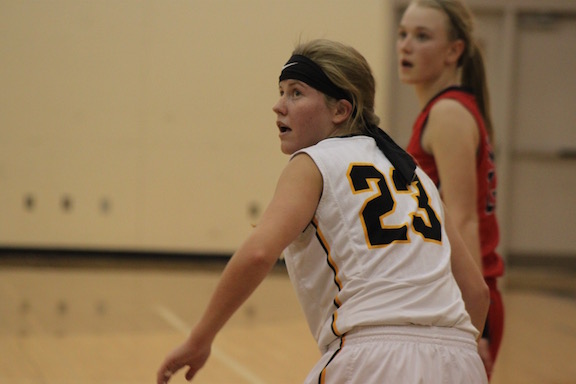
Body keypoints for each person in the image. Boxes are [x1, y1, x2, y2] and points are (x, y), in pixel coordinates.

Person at [157, 38, 489, 384]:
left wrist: (200, 338)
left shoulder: (314, 162)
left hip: (373, 357)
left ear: (340, 111)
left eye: (296, 93)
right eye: (281, 91)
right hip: (460, 360)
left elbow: (257, 253)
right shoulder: (415, 174)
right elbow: (476, 294)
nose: (278, 106)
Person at [396, 0, 506, 379]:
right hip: (452, 293)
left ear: (454, 51)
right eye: (403, 34)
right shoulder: (448, 109)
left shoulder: (448, 114)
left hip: (463, 295)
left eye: (422, 36)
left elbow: (463, 219)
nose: (406, 45)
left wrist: (476, 328)